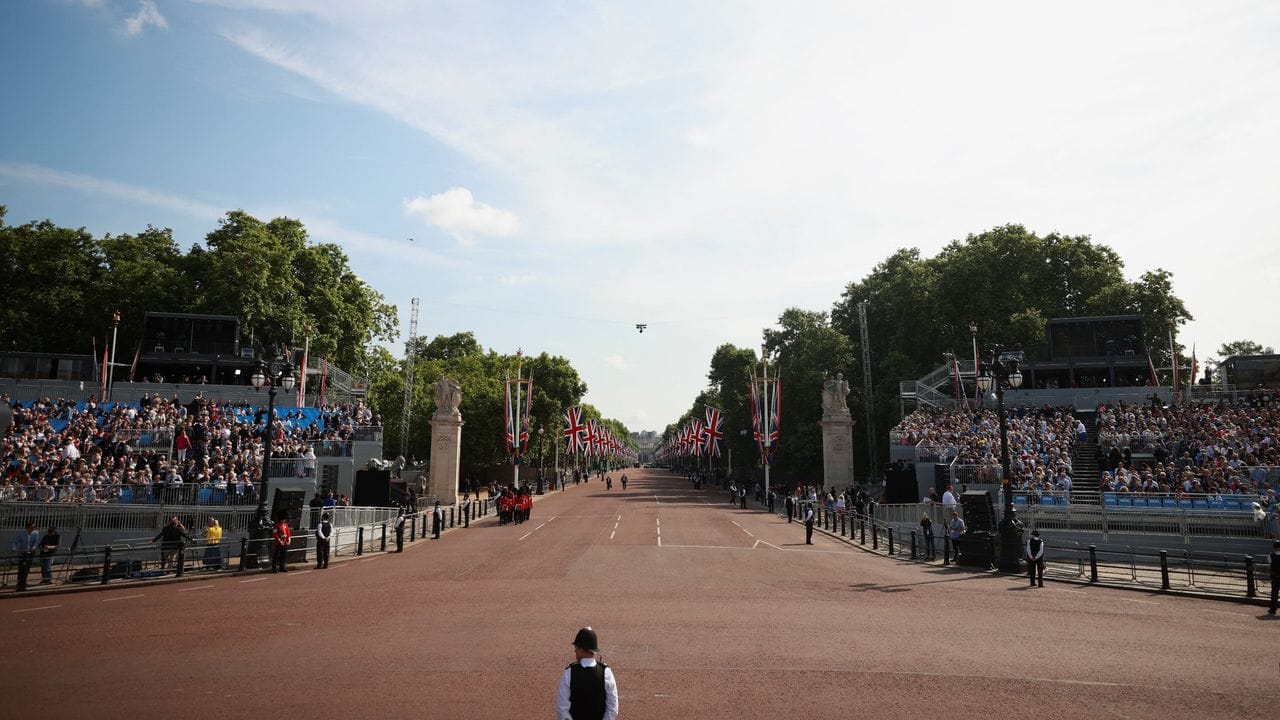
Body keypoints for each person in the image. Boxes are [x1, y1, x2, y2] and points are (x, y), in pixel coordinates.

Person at [555, 627, 619, 720]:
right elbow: (613, 708)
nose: (575, 651)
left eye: (576, 647)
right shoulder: (606, 672)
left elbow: (562, 708)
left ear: (581, 649)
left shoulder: (569, 672)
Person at [11, 521, 39, 591]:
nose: (33, 528)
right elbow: (14, 541)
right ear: (27, 527)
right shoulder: (21, 534)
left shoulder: (36, 533)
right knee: (21, 568)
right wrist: (14, 548)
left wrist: (34, 547)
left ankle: (24, 581)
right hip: (22, 552)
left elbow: (36, 542)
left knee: (27, 568)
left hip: (30, 553)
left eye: (34, 527)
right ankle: (20, 582)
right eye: (32, 527)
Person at [1268, 540, 1280, 615]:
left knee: (1274, 593)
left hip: (1275, 577)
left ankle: (1273, 609)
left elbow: (1269, 563)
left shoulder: (1270, 555)